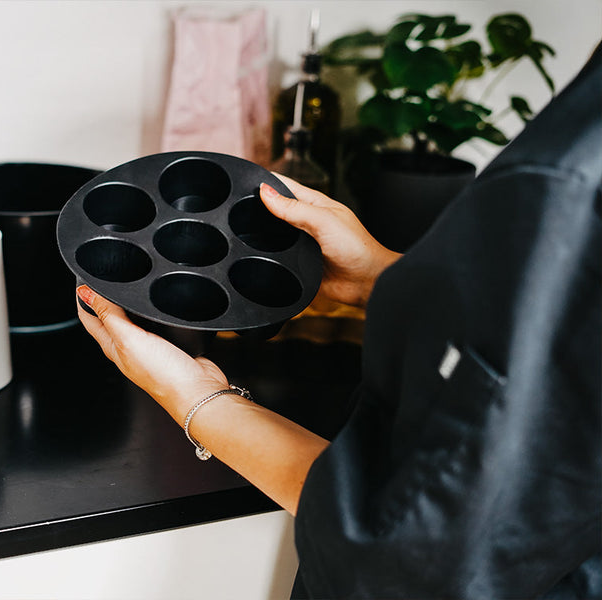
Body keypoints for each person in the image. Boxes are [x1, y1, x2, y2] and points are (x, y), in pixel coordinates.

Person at [76, 44, 601, 598]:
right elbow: (546, 349)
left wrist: (200, 402)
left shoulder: (575, 178)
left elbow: (403, 550)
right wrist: (380, 277)